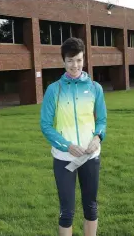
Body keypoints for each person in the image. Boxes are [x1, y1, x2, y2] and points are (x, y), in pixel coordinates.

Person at [40, 37, 107, 236]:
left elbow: (102, 120)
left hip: (90, 156)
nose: (74, 65)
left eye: (78, 60)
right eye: (70, 61)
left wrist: (97, 137)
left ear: (83, 59)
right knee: (67, 212)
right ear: (63, 62)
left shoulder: (95, 88)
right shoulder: (54, 90)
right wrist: (67, 146)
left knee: (91, 207)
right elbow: (45, 125)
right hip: (65, 158)